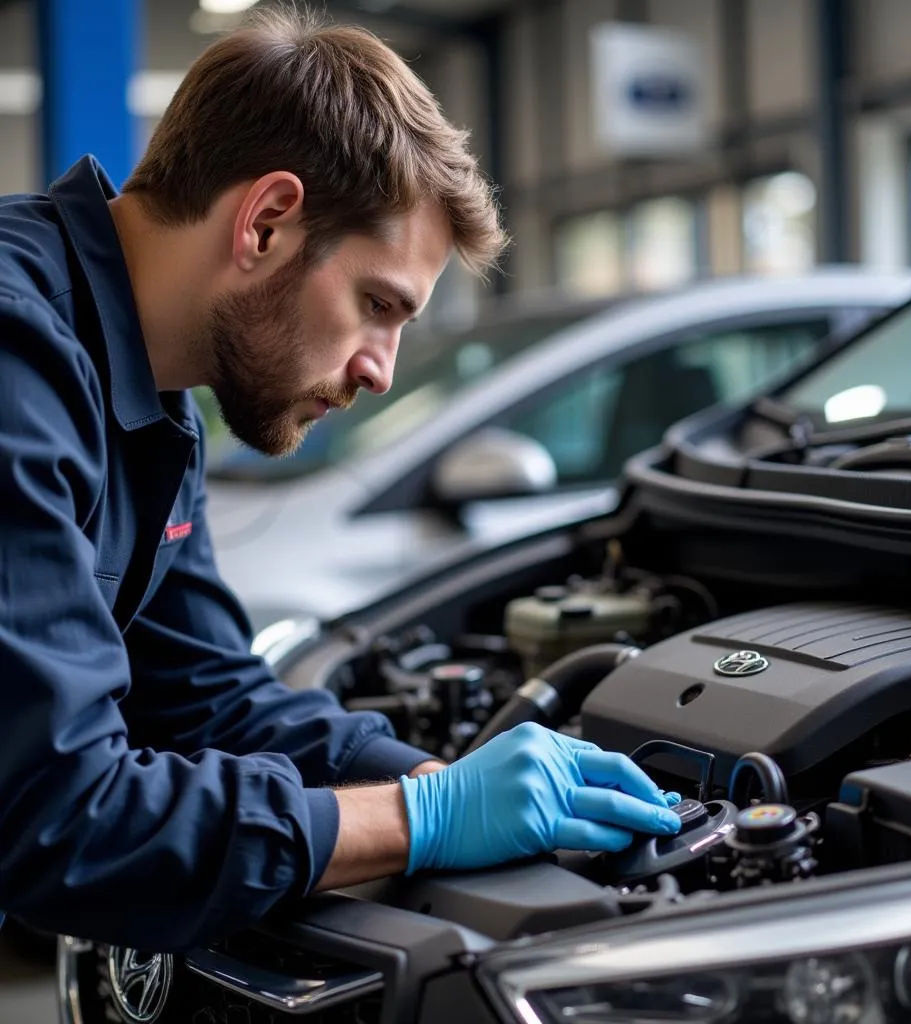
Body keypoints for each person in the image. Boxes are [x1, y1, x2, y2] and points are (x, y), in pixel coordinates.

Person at [0, 5, 682, 953]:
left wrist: (457, 777)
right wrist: (422, 819)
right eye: (376, 306)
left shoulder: (153, 398)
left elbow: (208, 700)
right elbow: (56, 816)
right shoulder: (15, 360)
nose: (380, 370)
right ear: (269, 222)